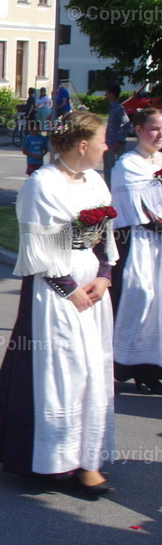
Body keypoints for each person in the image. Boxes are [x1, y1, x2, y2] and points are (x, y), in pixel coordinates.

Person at [0, 110, 116, 497]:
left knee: (93, 370)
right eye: (103, 139)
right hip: (58, 291)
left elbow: (105, 235)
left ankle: (87, 457)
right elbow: (43, 248)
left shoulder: (95, 182)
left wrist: (104, 275)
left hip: (92, 285)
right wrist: (71, 289)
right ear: (83, 145)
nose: (108, 145)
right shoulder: (42, 185)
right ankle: (54, 458)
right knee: (63, 371)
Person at [110, 107, 162, 394]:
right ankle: (123, 362)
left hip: (160, 245)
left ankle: (152, 367)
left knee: (160, 305)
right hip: (137, 240)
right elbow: (132, 206)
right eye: (154, 128)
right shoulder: (127, 165)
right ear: (139, 130)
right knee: (140, 295)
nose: (160, 135)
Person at [103, 84, 131, 186]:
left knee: (113, 171)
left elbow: (127, 124)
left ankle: (114, 194)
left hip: (114, 145)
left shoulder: (118, 108)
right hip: (109, 144)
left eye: (107, 92)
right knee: (107, 171)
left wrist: (119, 141)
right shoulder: (112, 107)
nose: (105, 95)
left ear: (112, 93)